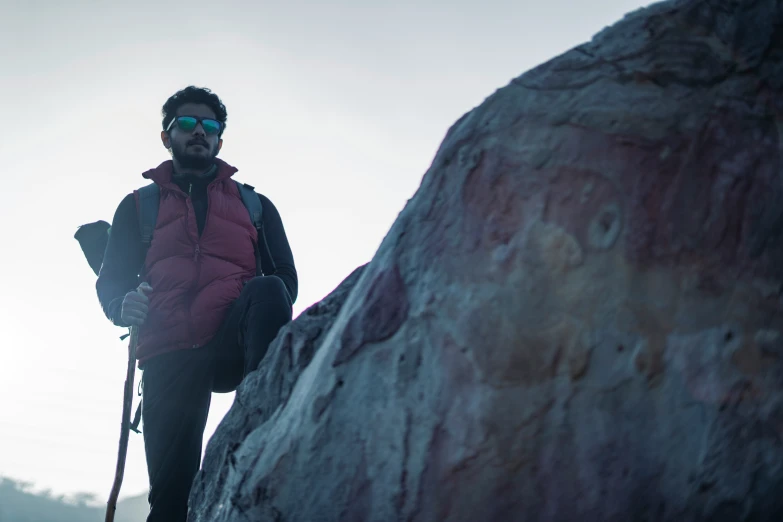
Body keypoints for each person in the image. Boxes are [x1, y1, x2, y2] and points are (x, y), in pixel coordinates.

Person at [96, 86, 297, 522]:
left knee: (267, 290)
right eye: (187, 124)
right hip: (168, 352)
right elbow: (112, 278)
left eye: (210, 126)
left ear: (221, 140)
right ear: (167, 137)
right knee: (171, 502)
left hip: (231, 343)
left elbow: (285, 280)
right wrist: (120, 304)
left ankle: (268, 410)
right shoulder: (137, 206)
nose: (199, 133)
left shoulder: (255, 205)